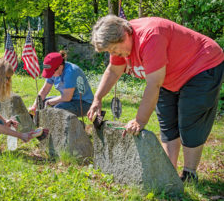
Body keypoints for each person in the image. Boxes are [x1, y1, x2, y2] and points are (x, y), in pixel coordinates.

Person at [88, 15, 224, 182]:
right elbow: (113, 71)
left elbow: (154, 84)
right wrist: (97, 98)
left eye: (114, 49)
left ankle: (189, 174)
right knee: (167, 120)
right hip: (170, 73)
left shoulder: (151, 36)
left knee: (190, 118)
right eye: (110, 51)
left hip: (202, 64)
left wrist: (140, 120)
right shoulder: (119, 42)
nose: (114, 54)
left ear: (124, 34)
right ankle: (170, 172)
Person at [29, 51, 94, 117]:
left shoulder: (71, 71)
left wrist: (50, 102)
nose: (51, 74)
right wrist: (34, 107)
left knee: (58, 108)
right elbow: (44, 90)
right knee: (41, 103)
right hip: (69, 101)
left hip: (83, 103)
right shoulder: (54, 70)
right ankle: (39, 124)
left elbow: (67, 97)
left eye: (51, 72)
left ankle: (69, 125)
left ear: (60, 66)